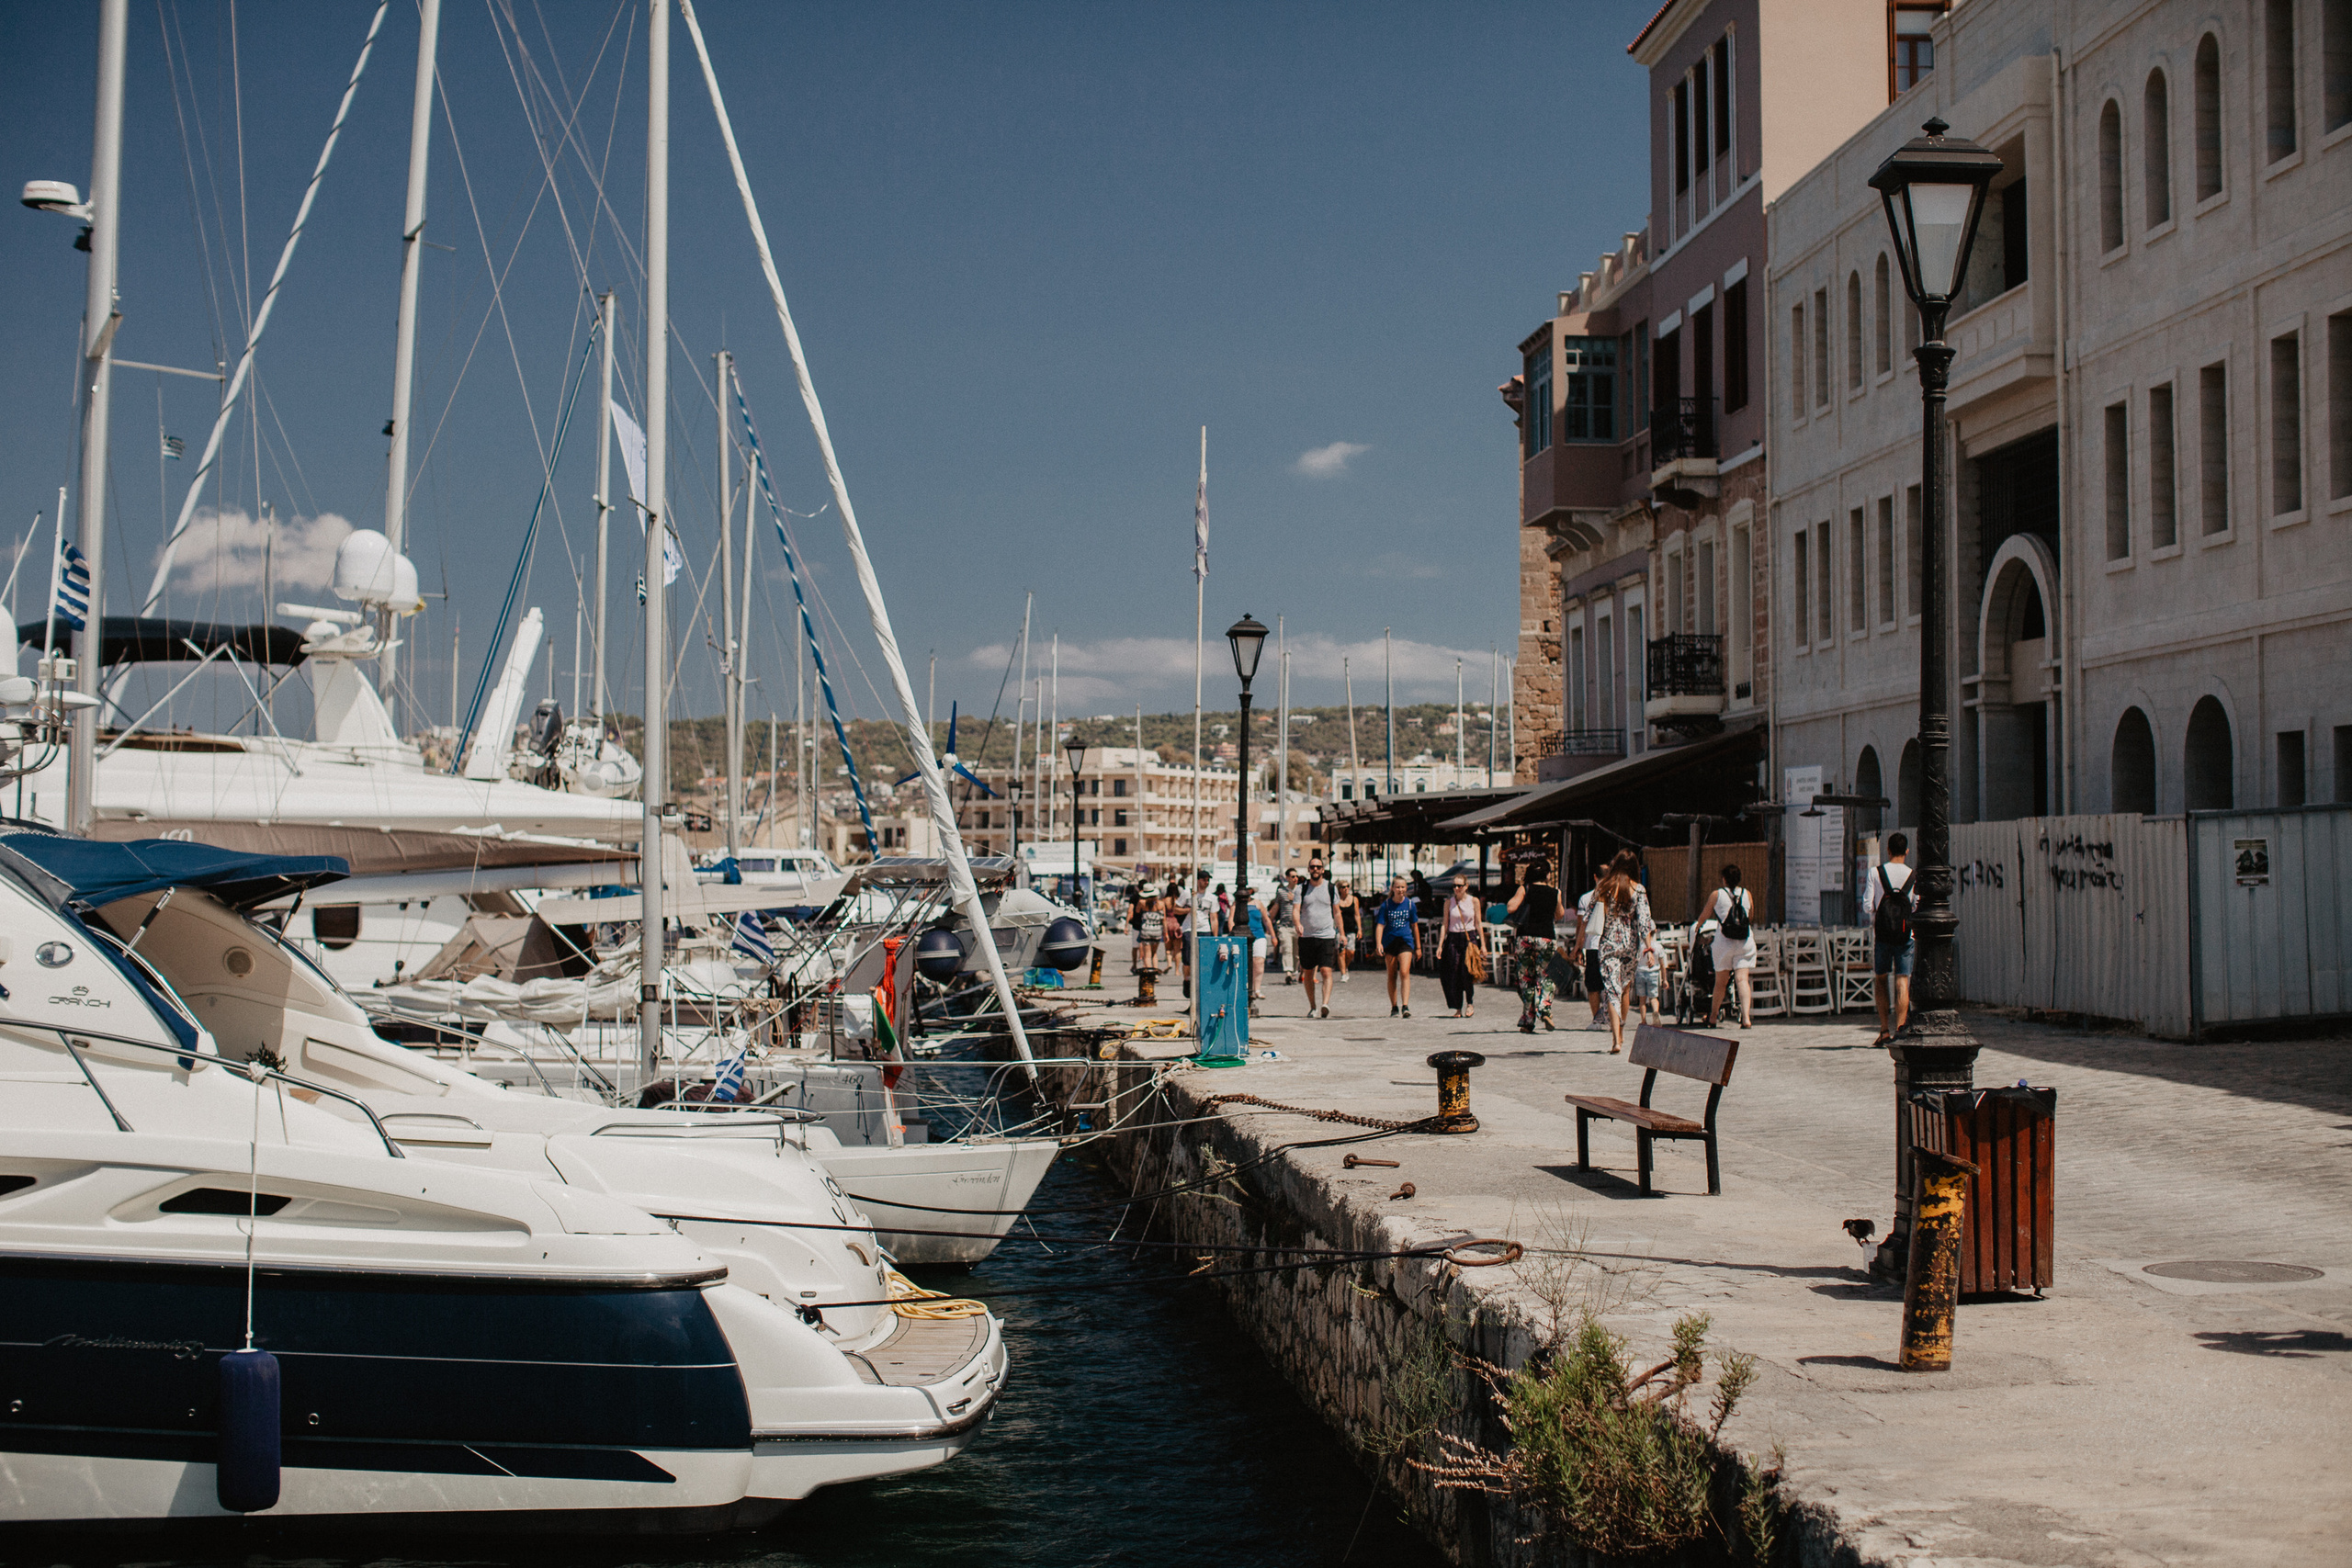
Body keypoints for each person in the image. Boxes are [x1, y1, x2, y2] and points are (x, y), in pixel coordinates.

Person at [1591, 849, 1657, 1055]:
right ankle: (1621, 1030)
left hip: (1608, 944)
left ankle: (1615, 1039)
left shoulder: (1604, 887)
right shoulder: (1639, 890)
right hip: (1630, 945)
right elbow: (1645, 922)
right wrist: (1648, 948)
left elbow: (1590, 912)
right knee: (1625, 989)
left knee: (1612, 991)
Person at [1864, 831, 1917, 1045]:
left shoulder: (1875, 873)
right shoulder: (1912, 875)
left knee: (1881, 978)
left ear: (1888, 850)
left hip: (1883, 934)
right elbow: (1916, 906)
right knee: (1902, 980)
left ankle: (1884, 1030)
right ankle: (1900, 1030)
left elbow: (1867, 906)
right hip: (1906, 935)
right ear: (1907, 851)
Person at [1506, 859, 1564, 1032]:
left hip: (1525, 936)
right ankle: (1544, 1009)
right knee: (1546, 976)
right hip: (1546, 938)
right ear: (1547, 875)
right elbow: (1559, 915)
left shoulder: (1525, 889)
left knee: (1526, 978)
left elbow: (1511, 907)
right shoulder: (1556, 892)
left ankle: (1528, 1020)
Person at [1705, 864, 1757, 1029]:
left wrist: (1698, 926)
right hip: (1744, 942)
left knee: (1721, 982)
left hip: (1724, 943)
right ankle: (1746, 1018)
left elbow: (1705, 915)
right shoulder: (1747, 894)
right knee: (1742, 980)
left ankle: (1713, 1017)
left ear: (1724, 879)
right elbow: (1750, 917)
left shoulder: (1717, 894)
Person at [1295, 858, 1340, 1019]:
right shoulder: (1301, 889)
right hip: (1306, 936)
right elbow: (1296, 909)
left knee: (1326, 970)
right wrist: (1297, 923)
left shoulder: (1330, 888)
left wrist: (1341, 932)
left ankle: (1325, 1004)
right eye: (1312, 866)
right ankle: (1313, 1006)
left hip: (1326, 935)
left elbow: (1337, 912)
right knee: (1308, 972)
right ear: (1308, 869)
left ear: (1322, 870)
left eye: (1318, 867)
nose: (1315, 869)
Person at [1371, 875, 1419, 1019]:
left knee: (1404, 972)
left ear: (1406, 888)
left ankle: (1405, 1005)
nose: (1400, 890)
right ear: (1392, 888)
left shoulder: (1410, 905)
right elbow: (1380, 925)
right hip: (1390, 941)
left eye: (1403, 887)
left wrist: (1418, 947)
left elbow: (1415, 926)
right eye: (1397, 887)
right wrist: (1379, 943)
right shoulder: (1386, 905)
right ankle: (1394, 1006)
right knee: (1392, 974)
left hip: (1405, 940)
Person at [1438, 874, 1483, 1019]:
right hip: (1453, 937)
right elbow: (1445, 924)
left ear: (1466, 886)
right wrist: (1440, 944)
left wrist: (1483, 945)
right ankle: (1457, 1007)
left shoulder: (1473, 901)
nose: (1456, 889)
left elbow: (1478, 923)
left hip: (1469, 937)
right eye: (1454, 886)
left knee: (1467, 971)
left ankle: (1470, 1002)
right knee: (1453, 972)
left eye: (1459, 886)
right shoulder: (1449, 902)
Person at [1572, 868, 1609, 1030]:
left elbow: (1581, 924)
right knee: (1610, 984)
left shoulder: (1586, 898)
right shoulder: (1617, 896)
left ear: (1595, 876)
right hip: (1611, 945)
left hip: (1593, 945)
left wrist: (1578, 947)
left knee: (1593, 985)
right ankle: (1613, 1019)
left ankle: (1597, 1020)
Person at [1237, 885, 1270, 1001]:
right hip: (1242, 935)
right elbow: (1231, 920)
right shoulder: (1236, 904)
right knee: (1244, 963)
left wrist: (1273, 935)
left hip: (1258, 934)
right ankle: (1246, 988)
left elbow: (1266, 919)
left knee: (1259, 962)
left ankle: (1257, 989)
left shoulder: (1258, 903)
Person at [1271, 869, 1300, 984]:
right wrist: (1269, 921)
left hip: (1298, 926)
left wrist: (1295, 899)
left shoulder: (1300, 891)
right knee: (1287, 949)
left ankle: (1294, 973)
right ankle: (1288, 972)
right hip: (1285, 926)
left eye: (1296, 876)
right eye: (1293, 876)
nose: (1295, 878)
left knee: (1297, 953)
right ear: (1287, 878)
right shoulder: (1281, 891)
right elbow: (1276, 906)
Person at [1333, 877, 1360, 981]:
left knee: (1351, 952)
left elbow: (1357, 915)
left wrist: (1360, 928)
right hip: (1339, 929)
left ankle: (1345, 966)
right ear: (1339, 889)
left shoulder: (1354, 899)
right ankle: (1343, 973)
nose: (1346, 889)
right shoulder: (1336, 900)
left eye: (1348, 886)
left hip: (1351, 928)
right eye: (1343, 887)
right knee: (1341, 951)